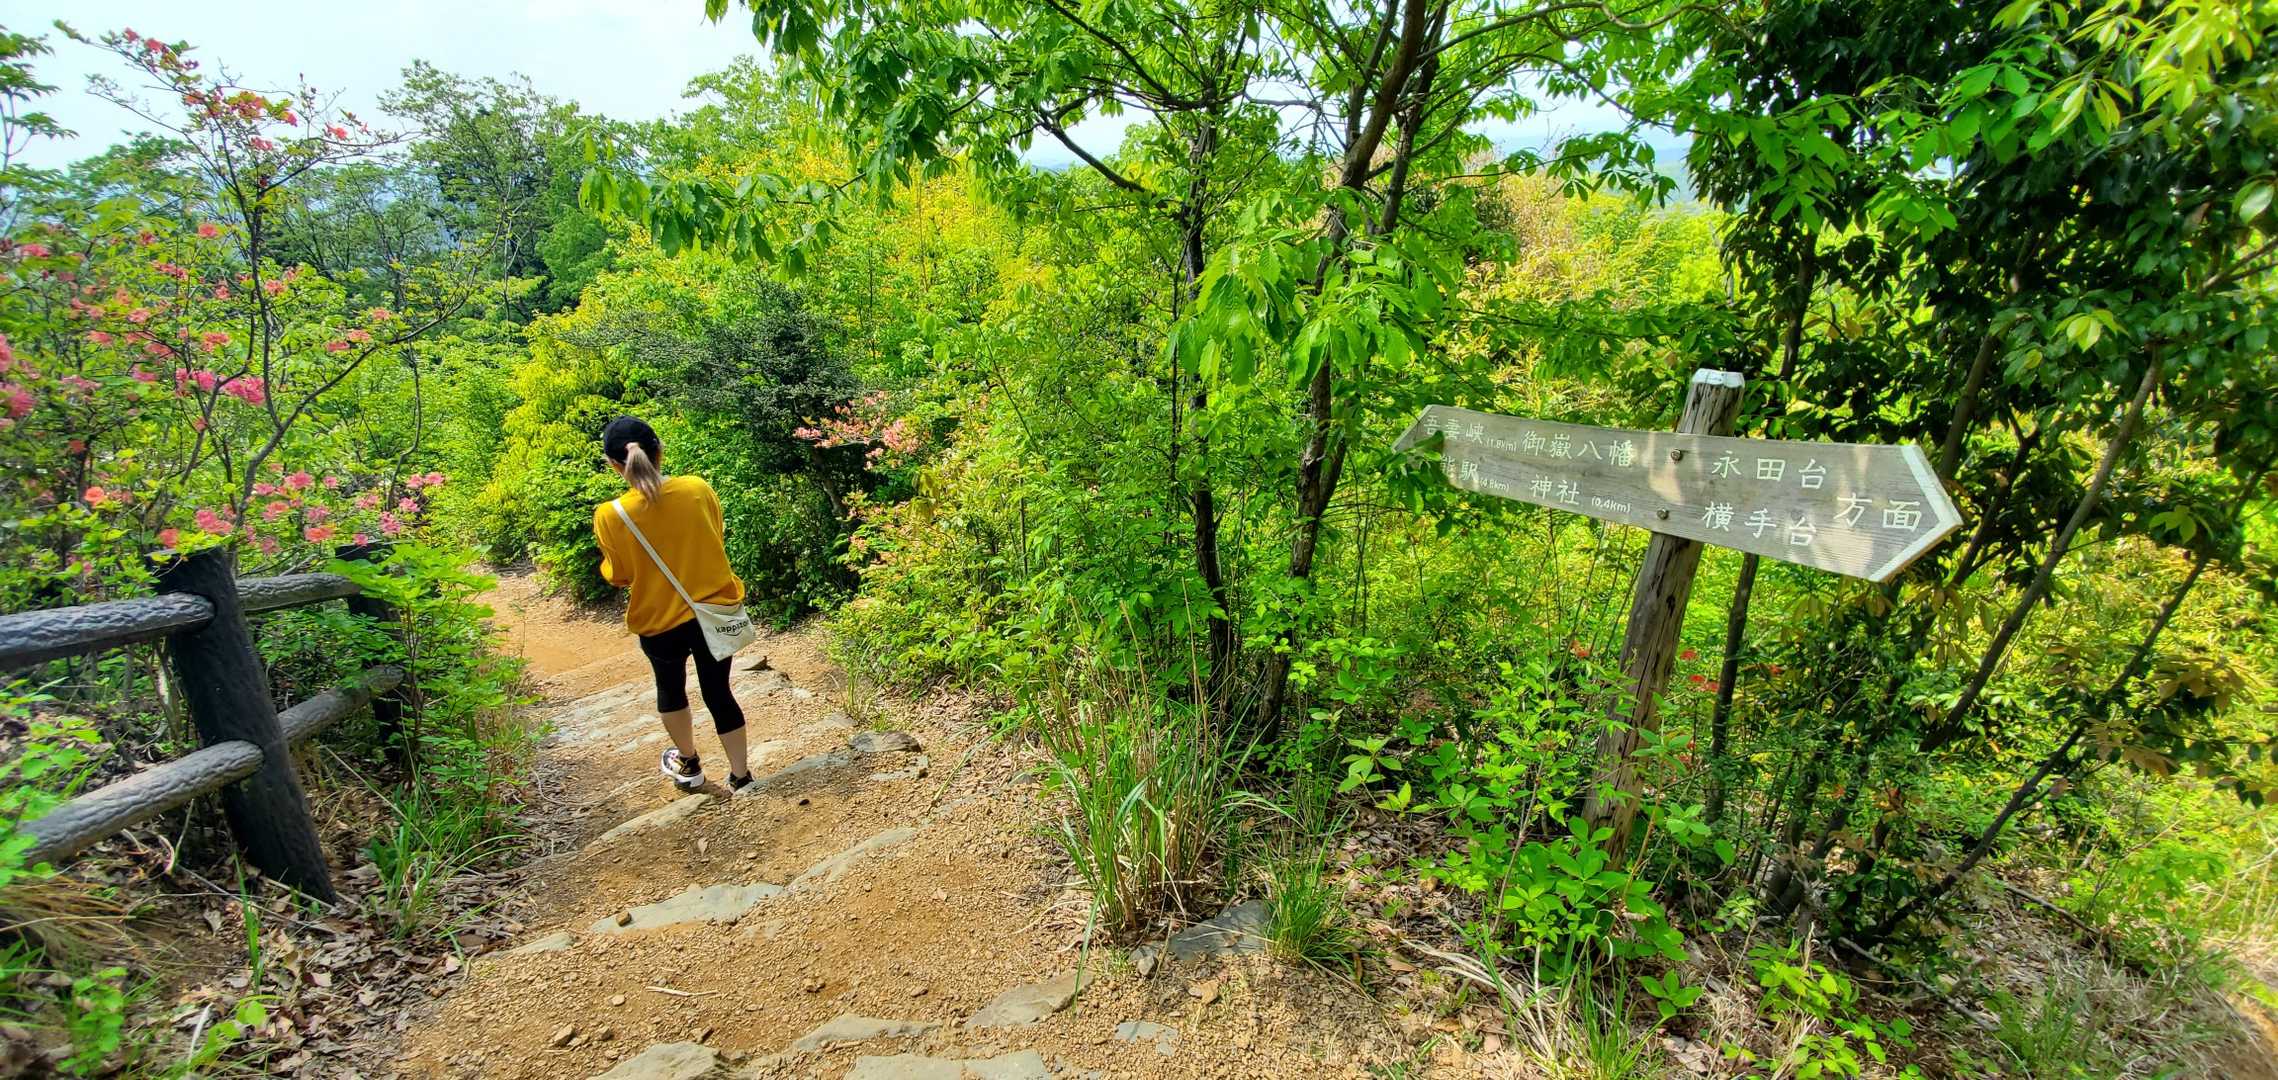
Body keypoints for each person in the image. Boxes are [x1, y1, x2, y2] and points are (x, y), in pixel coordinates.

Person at [591, 415, 758, 795]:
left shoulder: (610, 515)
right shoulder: (697, 488)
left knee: (670, 688)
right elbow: (714, 536)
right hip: (713, 611)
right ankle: (741, 777)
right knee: (719, 692)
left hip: (658, 619)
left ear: (614, 464)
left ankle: (689, 763)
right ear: (660, 451)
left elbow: (618, 574)